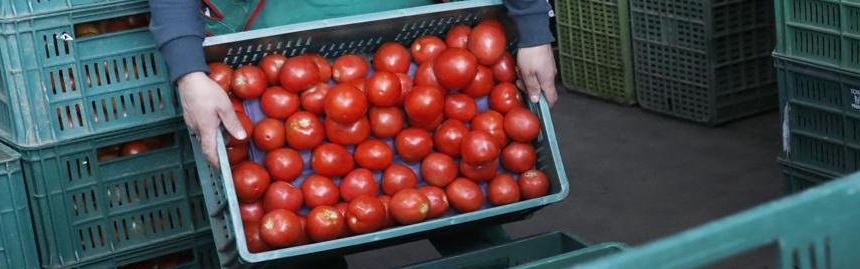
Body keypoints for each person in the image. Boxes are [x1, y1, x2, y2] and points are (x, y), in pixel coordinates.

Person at [151, 0, 560, 167]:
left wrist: (532, 24)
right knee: (300, 248)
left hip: (413, 37)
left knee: (470, 197)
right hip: (275, 51)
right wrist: (189, 72)